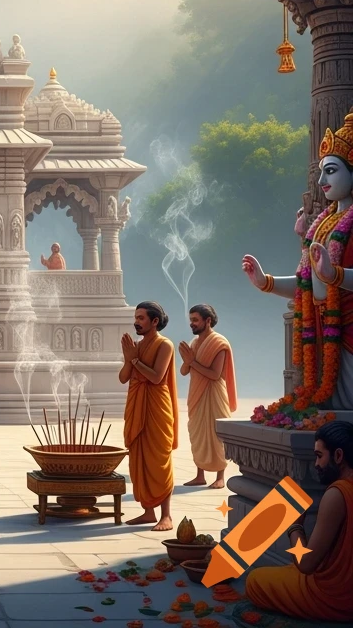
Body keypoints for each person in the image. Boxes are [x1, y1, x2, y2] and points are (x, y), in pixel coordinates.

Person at [241, 109, 353, 408]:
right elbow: (308, 285)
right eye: (321, 173)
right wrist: (266, 282)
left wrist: (336, 275)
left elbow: (328, 277)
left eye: (331, 171)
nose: (322, 181)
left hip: (348, 329)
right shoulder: (323, 222)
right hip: (321, 329)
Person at [245, 420, 353, 622]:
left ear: (338, 456)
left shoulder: (337, 494)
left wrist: (295, 525)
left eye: (320, 456)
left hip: (336, 598)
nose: (316, 464)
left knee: (254, 581)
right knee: (286, 572)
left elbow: (306, 564)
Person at [120, 301, 178, 531]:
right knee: (140, 459)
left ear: (155, 321)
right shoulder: (137, 346)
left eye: (141, 317)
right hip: (137, 405)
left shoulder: (165, 345)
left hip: (156, 407)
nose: (136, 321)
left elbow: (156, 377)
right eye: (136, 317)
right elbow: (123, 378)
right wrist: (128, 359)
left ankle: (166, 515)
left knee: (159, 460)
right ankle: (148, 512)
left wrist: (134, 359)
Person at [179, 303, 237, 489]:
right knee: (197, 432)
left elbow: (214, 374)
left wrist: (192, 361)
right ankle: (200, 475)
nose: (192, 324)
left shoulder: (219, 343)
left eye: (195, 320)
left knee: (216, 433)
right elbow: (183, 371)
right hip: (196, 393)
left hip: (214, 393)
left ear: (208, 320)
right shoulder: (194, 343)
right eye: (191, 320)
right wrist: (187, 362)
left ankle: (220, 476)